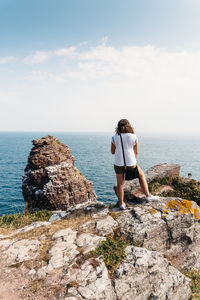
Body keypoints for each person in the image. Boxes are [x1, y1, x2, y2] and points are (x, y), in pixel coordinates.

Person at [111, 119, 158, 210]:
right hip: (131, 163)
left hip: (118, 163)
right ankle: (148, 196)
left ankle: (121, 204)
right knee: (141, 176)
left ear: (118, 127)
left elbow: (113, 152)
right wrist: (131, 160)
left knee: (120, 184)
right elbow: (136, 152)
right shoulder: (134, 137)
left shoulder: (114, 137)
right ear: (129, 126)